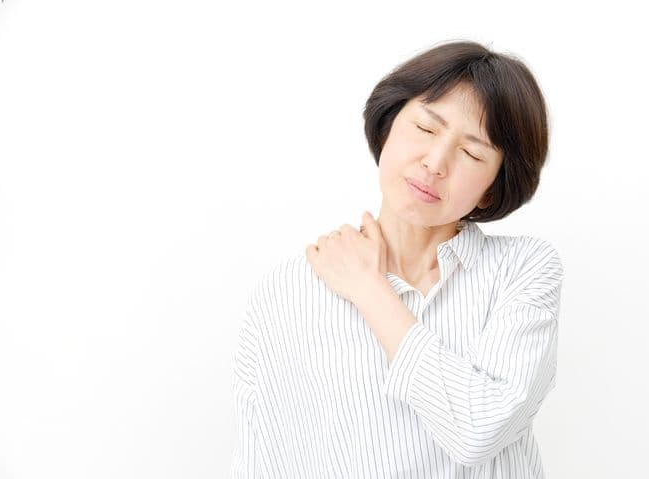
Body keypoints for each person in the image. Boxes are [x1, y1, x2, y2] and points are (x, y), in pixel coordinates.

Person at [231, 39, 565, 478]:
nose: (435, 162)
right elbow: (261, 460)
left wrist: (372, 292)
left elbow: (479, 431)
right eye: (426, 129)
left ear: (492, 185)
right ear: (389, 126)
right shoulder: (289, 289)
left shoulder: (523, 270)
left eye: (471, 152)